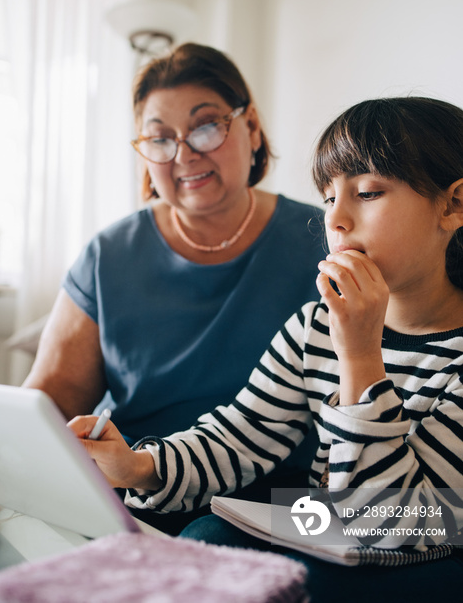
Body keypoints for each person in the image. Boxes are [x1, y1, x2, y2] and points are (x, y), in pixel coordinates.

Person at [70, 96, 463, 601]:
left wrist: (361, 359)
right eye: (327, 198)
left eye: (367, 193)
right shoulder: (316, 326)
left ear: (453, 205)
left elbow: (398, 523)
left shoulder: (378, 342)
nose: (336, 220)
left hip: (430, 544)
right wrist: (139, 467)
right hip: (336, 522)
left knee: (309, 586)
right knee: (207, 539)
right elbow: (241, 435)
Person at [23, 42, 325, 533]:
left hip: (282, 497)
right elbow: (49, 408)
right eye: (159, 138)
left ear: (250, 128)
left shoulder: (326, 240)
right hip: (137, 485)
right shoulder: (109, 254)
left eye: (206, 126)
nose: (184, 153)